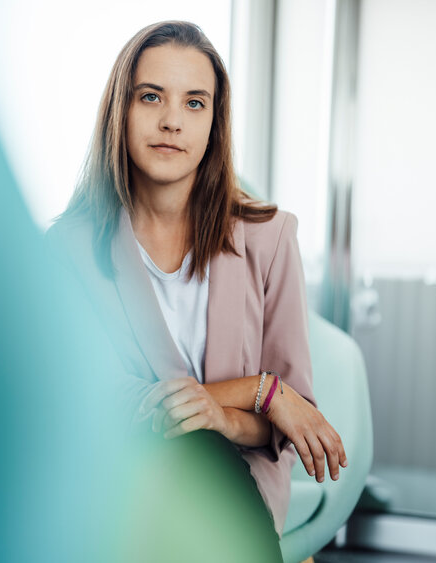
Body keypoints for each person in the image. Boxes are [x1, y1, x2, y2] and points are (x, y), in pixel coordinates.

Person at [46, 20, 348, 556]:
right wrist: (260, 391)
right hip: (122, 481)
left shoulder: (271, 237)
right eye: (151, 97)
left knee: (203, 452)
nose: (170, 121)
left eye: (194, 103)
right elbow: (92, 405)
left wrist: (231, 415)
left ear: (214, 122)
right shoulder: (70, 250)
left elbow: (285, 424)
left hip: (238, 487)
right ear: (122, 108)